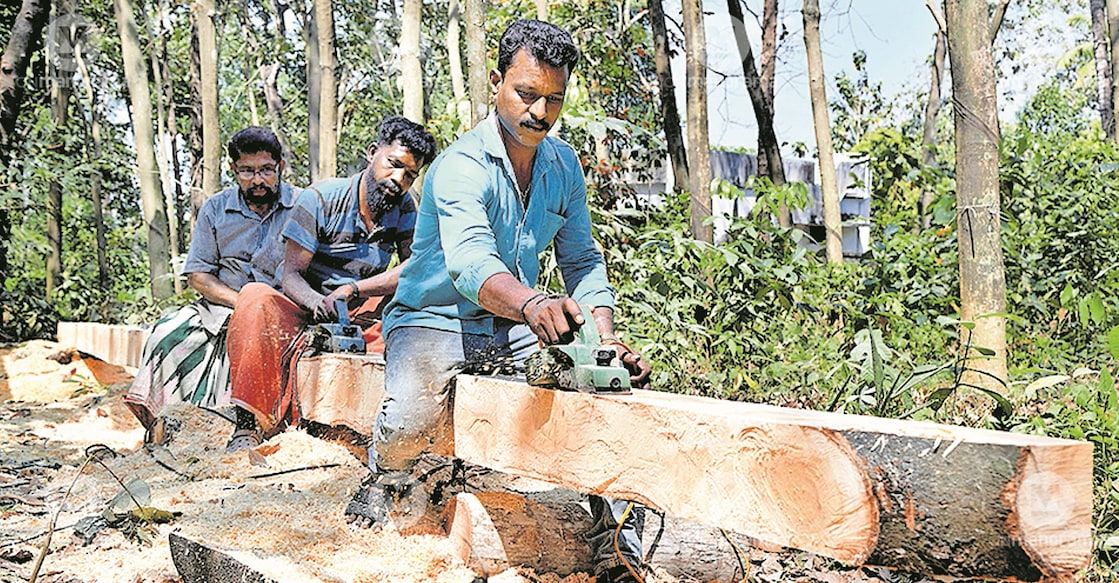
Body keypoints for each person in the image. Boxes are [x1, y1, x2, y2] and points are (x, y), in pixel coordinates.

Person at [344, 20, 652, 583]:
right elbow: (471, 265)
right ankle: (382, 476)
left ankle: (615, 538)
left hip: (512, 325)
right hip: (433, 320)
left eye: (554, 99)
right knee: (410, 422)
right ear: (496, 82)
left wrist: (604, 343)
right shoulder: (460, 166)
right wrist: (533, 304)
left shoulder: (564, 165)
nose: (540, 112)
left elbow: (583, 261)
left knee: (604, 392)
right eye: (527, 94)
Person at [223, 116, 437, 452]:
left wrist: (354, 291)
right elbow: (290, 275)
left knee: (415, 313)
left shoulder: (406, 207)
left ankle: (381, 429)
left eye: (410, 174)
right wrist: (317, 303)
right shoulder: (321, 198)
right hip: (303, 303)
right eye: (393, 164)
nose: (398, 180)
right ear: (372, 153)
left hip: (356, 308)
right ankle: (247, 425)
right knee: (254, 297)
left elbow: (414, 268)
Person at [124, 127, 298, 433]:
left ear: (280, 166)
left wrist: (260, 309)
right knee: (164, 335)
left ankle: (241, 426)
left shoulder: (302, 205)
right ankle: (166, 426)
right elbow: (198, 276)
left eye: (266, 170)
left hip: (279, 310)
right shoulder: (216, 208)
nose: (257, 180)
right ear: (233, 169)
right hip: (220, 307)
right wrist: (241, 303)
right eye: (247, 171)